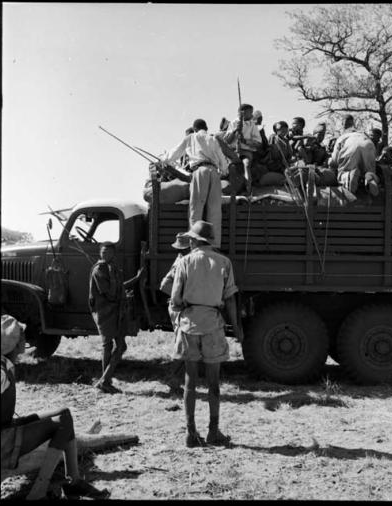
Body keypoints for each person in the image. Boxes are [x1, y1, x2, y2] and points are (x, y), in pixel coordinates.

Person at [1, 314, 110, 500]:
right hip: (4, 442)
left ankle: (74, 482)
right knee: (61, 423)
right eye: (22, 336)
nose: (27, 339)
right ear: (13, 343)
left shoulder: (6, 366)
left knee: (64, 413)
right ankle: (39, 492)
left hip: (7, 430)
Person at [169, 220, 243, 448]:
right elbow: (230, 299)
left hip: (189, 324)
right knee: (214, 383)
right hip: (213, 325)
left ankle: (191, 434)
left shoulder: (185, 262)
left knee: (190, 382)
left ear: (194, 240)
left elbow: (175, 299)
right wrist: (237, 327)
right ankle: (213, 432)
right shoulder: (224, 262)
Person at [160, 118, 230, 248]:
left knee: (196, 208)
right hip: (214, 173)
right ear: (206, 128)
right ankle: (214, 245)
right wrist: (223, 171)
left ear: (195, 128)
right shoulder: (213, 138)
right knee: (215, 210)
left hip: (200, 171)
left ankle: (195, 244)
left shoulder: (191, 137)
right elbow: (223, 161)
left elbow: (174, 153)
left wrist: (163, 159)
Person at [89, 242, 141, 394]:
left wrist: (136, 279)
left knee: (120, 346)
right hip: (104, 313)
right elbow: (109, 293)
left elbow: (119, 287)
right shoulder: (100, 269)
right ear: (100, 253)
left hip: (115, 312)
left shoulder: (113, 269)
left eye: (108, 252)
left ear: (113, 254)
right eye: (103, 252)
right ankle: (105, 382)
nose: (105, 254)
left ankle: (105, 380)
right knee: (108, 345)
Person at [159, 232, 190, 397]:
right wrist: (182, 299)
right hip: (179, 309)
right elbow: (164, 285)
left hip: (178, 308)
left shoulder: (182, 259)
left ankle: (175, 381)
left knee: (184, 346)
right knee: (182, 346)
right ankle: (172, 381)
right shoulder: (181, 262)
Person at [329, 114, 380, 197]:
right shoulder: (361, 133)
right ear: (353, 124)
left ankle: (349, 175)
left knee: (344, 169)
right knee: (369, 170)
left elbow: (334, 161)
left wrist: (329, 162)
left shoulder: (342, 137)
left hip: (351, 145)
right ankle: (369, 176)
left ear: (342, 125)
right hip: (368, 144)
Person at [224, 103, 263, 193]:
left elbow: (258, 142)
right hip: (233, 151)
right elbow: (227, 141)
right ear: (242, 113)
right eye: (250, 112)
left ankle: (248, 188)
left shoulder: (252, 125)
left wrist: (245, 141)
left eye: (252, 112)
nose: (252, 114)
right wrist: (235, 130)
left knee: (246, 164)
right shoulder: (234, 123)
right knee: (232, 167)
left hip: (246, 151)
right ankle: (232, 189)